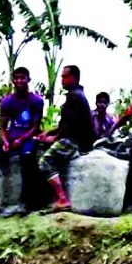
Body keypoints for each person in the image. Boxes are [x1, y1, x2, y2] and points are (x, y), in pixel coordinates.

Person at [0, 67, 43, 219]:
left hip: (28, 138)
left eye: (22, 78)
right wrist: (4, 141)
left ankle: (26, 203)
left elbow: (35, 127)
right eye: (16, 78)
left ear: (28, 80)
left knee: (27, 157)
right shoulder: (7, 101)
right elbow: (2, 126)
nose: (19, 81)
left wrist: (21, 139)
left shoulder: (36, 101)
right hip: (11, 139)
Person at [36, 65, 96, 211]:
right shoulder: (76, 95)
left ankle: (62, 199)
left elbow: (70, 127)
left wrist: (53, 138)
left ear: (74, 78)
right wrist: (48, 132)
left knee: (45, 162)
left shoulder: (74, 97)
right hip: (74, 137)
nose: (62, 80)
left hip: (74, 141)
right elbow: (65, 123)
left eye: (65, 77)